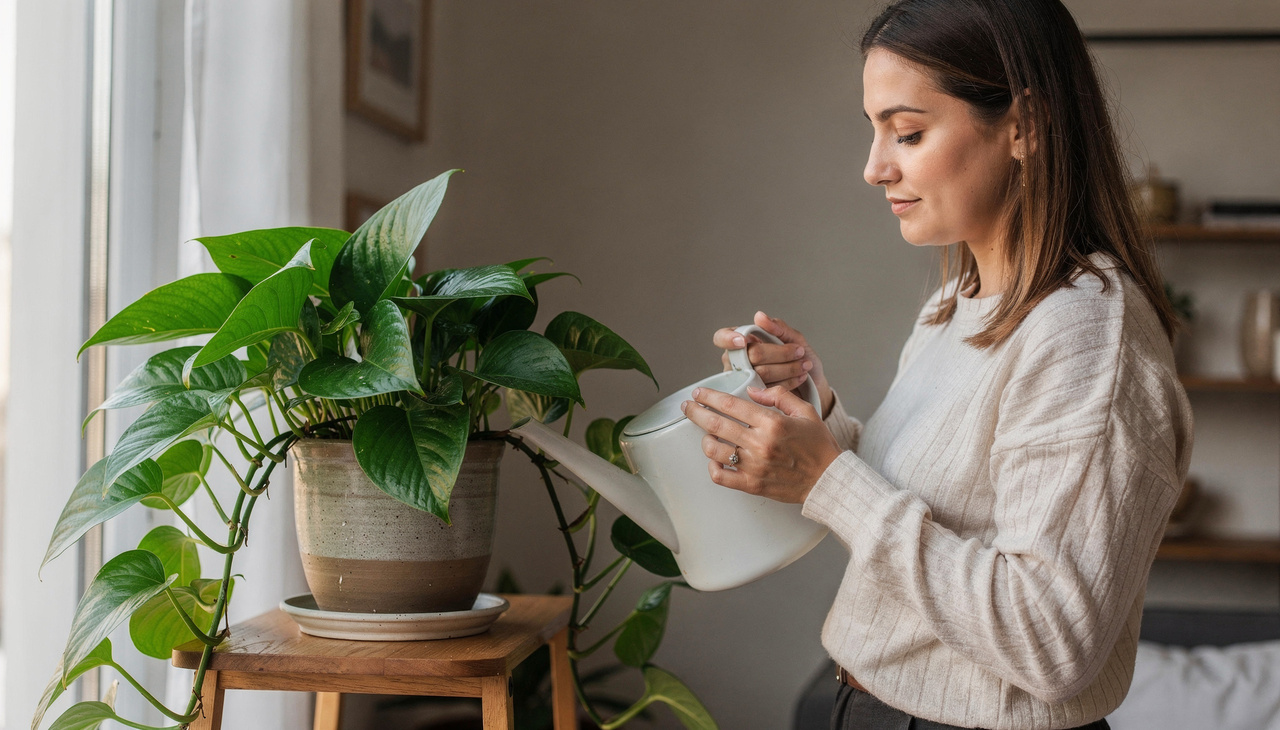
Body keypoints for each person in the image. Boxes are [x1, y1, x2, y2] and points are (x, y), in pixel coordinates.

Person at [678, 1, 1194, 728]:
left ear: (1026, 124)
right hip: (869, 706)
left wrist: (827, 478)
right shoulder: (960, 303)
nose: (873, 168)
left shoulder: (1086, 336)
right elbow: (940, 505)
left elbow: (1054, 642)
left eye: (909, 132)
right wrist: (815, 417)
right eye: (874, 129)